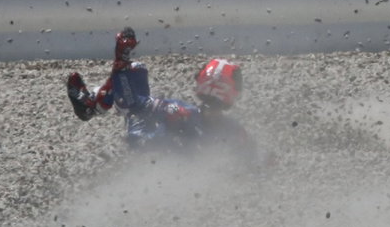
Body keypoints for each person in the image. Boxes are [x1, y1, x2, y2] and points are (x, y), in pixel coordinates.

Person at [65, 28, 252, 154]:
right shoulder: (235, 131)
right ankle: (95, 103)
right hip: (185, 173)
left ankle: (94, 104)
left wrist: (120, 64)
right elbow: (255, 162)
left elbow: (130, 103)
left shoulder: (181, 111)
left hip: (153, 158)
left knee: (136, 74)